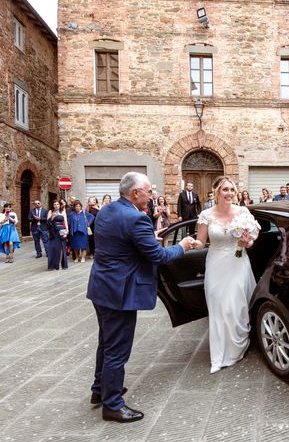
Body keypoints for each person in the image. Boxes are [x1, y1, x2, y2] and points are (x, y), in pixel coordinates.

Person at [87, 172, 194, 423]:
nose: (152, 195)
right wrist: (183, 246)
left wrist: (147, 241)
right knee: (117, 350)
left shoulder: (107, 210)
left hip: (101, 286)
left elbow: (118, 242)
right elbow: (158, 257)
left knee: (106, 342)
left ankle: (99, 390)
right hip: (120, 293)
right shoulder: (136, 218)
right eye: (148, 191)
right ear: (135, 193)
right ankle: (112, 405)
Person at [193, 176, 258, 374]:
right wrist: (187, 244)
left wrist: (247, 242)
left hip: (238, 262)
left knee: (236, 307)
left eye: (232, 189)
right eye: (225, 189)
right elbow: (201, 242)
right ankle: (219, 355)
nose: (229, 193)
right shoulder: (206, 214)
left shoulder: (243, 212)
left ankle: (238, 347)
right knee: (219, 308)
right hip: (216, 264)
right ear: (217, 192)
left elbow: (251, 240)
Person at [47, 200, 69, 271]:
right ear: (53, 205)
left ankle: (59, 264)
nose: (56, 205)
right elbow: (48, 223)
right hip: (53, 231)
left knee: (61, 248)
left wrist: (67, 231)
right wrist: (52, 217)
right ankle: (53, 264)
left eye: (58, 204)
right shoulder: (50, 211)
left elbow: (65, 222)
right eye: (55, 204)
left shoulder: (63, 212)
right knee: (53, 248)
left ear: (60, 205)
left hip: (61, 231)